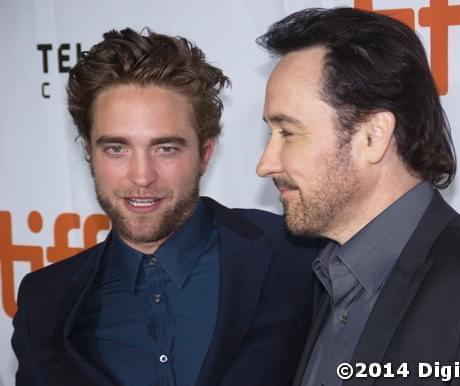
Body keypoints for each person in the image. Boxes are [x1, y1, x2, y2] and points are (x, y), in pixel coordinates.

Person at [256, 7, 460, 385]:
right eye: (270, 133)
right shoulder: (331, 279)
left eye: (288, 133)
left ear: (373, 136)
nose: (265, 164)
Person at [12, 28, 317, 386]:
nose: (141, 176)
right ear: (88, 152)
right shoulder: (44, 301)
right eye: (116, 149)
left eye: (166, 148)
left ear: (205, 153)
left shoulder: (298, 257)